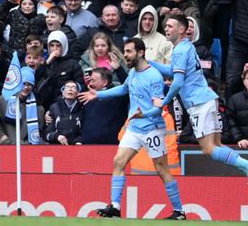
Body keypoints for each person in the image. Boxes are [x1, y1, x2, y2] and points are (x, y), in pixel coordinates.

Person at [149, 14, 248, 202]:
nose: (166, 29)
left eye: (170, 26)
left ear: (182, 29)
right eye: (166, 26)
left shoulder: (180, 50)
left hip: (199, 104)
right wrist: (150, 64)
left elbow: (177, 83)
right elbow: (173, 71)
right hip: (208, 99)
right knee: (217, 145)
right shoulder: (187, 47)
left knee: (208, 148)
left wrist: (162, 102)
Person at [79, 38, 186, 220]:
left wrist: (143, 115)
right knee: (118, 162)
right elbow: (123, 89)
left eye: (129, 52)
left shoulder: (153, 76)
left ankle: (179, 211)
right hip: (134, 127)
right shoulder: (134, 73)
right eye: (125, 51)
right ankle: (115, 206)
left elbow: (158, 108)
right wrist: (98, 94)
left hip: (152, 128)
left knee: (161, 169)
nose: (125, 55)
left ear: (141, 52)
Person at [0, 66, 45, 144]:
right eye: (23, 83)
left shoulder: (38, 107)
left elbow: (39, 131)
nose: (26, 87)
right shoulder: (4, 100)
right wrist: (2, 136)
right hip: (5, 146)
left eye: (29, 84)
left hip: (28, 149)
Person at [81, 67, 128, 144]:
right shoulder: (88, 97)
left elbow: (129, 87)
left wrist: (119, 69)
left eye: (93, 80)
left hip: (108, 147)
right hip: (86, 147)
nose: (90, 83)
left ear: (104, 82)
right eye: (90, 80)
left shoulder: (117, 98)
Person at [44, 80, 83, 145]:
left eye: (73, 87)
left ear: (78, 93)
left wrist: (79, 141)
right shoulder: (54, 108)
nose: (70, 89)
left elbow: (87, 132)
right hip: (57, 146)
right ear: (63, 92)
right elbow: (46, 134)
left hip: (77, 147)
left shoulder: (83, 108)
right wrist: (56, 136)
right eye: (67, 87)